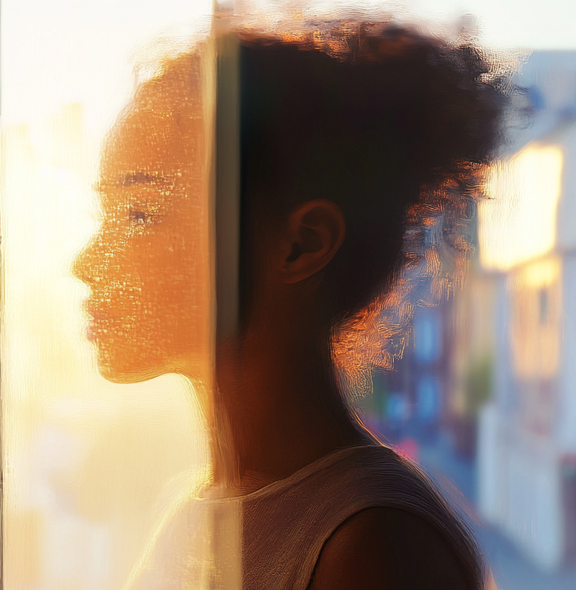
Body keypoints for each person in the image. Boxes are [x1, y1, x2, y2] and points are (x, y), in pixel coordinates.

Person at [73, 20, 507, 590]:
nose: (87, 261)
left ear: (301, 244)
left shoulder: (374, 547)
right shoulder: (199, 509)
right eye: (108, 216)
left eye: (140, 214)